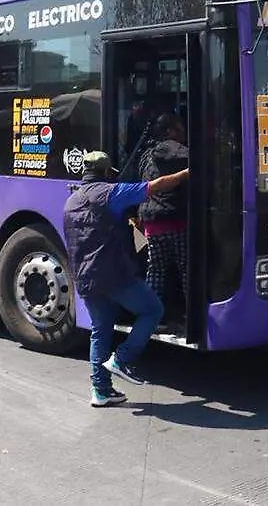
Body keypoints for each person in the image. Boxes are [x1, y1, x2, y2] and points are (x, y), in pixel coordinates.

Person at [63, 151, 189, 407]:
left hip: (84, 277)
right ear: (107, 173)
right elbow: (157, 186)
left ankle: (100, 391)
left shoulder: (71, 201)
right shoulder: (112, 193)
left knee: (100, 330)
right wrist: (188, 173)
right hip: (114, 273)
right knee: (153, 310)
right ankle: (122, 359)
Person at [137, 114, 190, 329]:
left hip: (151, 222)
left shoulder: (146, 155)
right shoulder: (172, 148)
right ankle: (191, 313)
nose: (184, 133)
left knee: (156, 270)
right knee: (186, 268)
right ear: (169, 132)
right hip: (174, 220)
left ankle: (151, 317)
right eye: (180, 128)